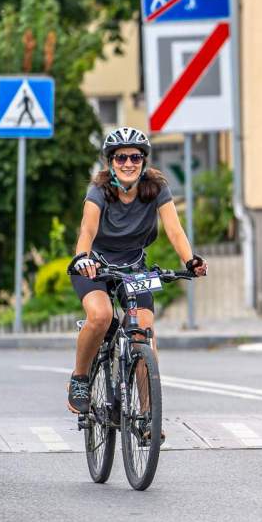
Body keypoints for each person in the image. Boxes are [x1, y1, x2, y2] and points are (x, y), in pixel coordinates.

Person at [67, 127, 207, 414]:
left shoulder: (156, 188)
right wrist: (83, 257)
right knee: (101, 315)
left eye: (135, 157)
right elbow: (87, 229)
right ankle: (80, 378)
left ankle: (147, 416)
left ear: (144, 161)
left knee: (143, 332)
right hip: (94, 268)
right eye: (121, 158)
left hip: (134, 269)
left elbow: (175, 230)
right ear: (111, 163)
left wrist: (190, 260)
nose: (128, 163)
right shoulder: (99, 190)